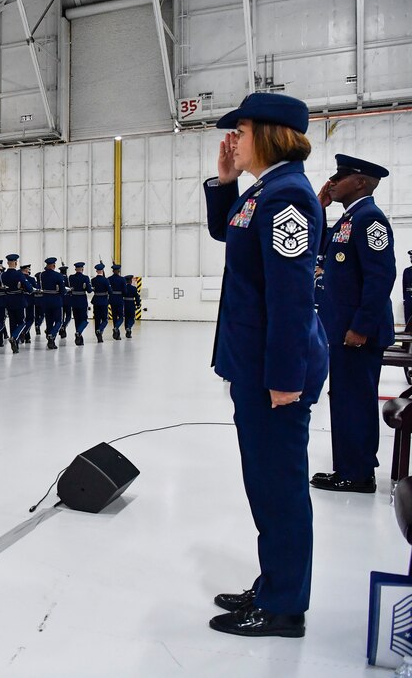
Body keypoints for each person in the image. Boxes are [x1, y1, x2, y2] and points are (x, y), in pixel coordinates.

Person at [203, 92, 327, 638]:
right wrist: (226, 179)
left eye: (243, 130)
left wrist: (284, 380)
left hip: (272, 374)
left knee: (279, 487)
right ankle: (275, 581)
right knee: (265, 483)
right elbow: (224, 231)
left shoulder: (290, 198)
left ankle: (283, 607)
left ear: (272, 134)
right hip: (252, 363)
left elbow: (292, 299)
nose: (234, 138)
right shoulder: (265, 191)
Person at [312, 154, 396, 494]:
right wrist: (320, 206)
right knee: (345, 399)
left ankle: (358, 474)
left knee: (356, 401)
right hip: (343, 330)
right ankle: (348, 467)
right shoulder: (348, 219)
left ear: (360, 182)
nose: (333, 181)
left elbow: (381, 277)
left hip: (358, 333)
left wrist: (361, 326)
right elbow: (319, 251)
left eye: (341, 176)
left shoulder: (370, 220)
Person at [1, 255, 30, 353]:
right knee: (22, 322)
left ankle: (16, 345)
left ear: (8, 263)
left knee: (12, 323)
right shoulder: (19, 274)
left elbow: (4, 288)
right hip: (19, 300)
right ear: (16, 263)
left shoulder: (3, 275)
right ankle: (14, 337)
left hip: (8, 300)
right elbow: (28, 287)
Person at [38, 258, 66, 349]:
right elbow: (62, 290)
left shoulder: (42, 275)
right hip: (56, 300)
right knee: (59, 321)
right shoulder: (58, 275)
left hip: (45, 300)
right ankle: (51, 335)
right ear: (54, 265)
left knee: (49, 321)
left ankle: (51, 341)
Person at [67, 262, 92, 345]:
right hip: (82, 301)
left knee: (77, 320)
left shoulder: (71, 277)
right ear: (82, 269)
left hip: (73, 301)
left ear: (75, 269)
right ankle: (78, 332)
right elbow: (89, 290)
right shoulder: (85, 278)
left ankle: (79, 339)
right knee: (84, 319)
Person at [90, 262, 110, 343]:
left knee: (97, 319)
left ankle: (98, 335)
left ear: (96, 271)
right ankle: (100, 330)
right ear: (102, 271)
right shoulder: (106, 280)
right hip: (103, 301)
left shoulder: (93, 280)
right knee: (105, 319)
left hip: (96, 300)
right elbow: (110, 291)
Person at [108, 264, 127, 340]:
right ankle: (116, 328)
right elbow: (125, 291)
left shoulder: (109, 279)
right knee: (121, 317)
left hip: (112, 299)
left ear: (113, 271)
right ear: (119, 271)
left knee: (114, 317)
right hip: (119, 299)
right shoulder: (122, 279)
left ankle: (116, 334)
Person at [20, 264, 36, 343]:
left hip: (20, 300)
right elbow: (35, 289)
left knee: (23, 319)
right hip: (29, 300)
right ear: (26, 270)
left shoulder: (18, 278)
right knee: (30, 319)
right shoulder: (31, 279)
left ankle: (27, 336)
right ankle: (24, 331)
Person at [58, 263, 71, 341]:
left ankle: (62, 328)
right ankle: (64, 327)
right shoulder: (68, 278)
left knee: (61, 316)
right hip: (68, 299)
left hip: (60, 299)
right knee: (68, 315)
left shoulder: (58, 277)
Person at [404, 250, 412, 326]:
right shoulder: (407, 271)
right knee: (408, 315)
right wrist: (405, 298)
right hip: (409, 296)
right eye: (411, 257)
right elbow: (404, 285)